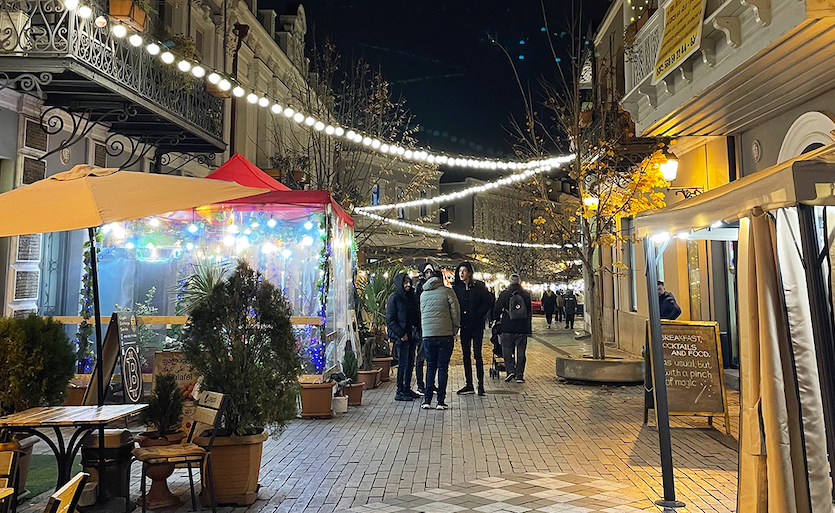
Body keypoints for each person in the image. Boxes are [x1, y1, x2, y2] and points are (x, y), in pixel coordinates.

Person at [420, 269, 460, 410]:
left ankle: (427, 400)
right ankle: (440, 401)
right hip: (445, 334)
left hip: (428, 335)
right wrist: (455, 330)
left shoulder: (423, 293)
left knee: (430, 367)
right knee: (442, 367)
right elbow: (455, 312)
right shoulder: (447, 291)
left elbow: (422, 314)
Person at [453, 261, 493, 396]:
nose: (461, 274)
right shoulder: (457, 288)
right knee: (465, 355)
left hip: (476, 325)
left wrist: (478, 314)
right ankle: (469, 384)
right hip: (464, 326)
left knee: (477, 354)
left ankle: (480, 384)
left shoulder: (479, 287)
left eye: (464, 271)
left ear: (469, 273)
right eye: (460, 271)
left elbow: (488, 301)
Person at [386, 272, 422, 401]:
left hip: (412, 335)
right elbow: (390, 319)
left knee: (410, 363)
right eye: (405, 282)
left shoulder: (411, 297)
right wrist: (400, 334)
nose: (407, 285)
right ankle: (400, 390)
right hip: (402, 336)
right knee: (402, 363)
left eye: (409, 282)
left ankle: (407, 388)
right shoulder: (395, 298)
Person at [493, 274, 532, 384]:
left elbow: (497, 309)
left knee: (506, 349)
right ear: (519, 281)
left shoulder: (504, 294)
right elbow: (529, 311)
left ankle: (510, 370)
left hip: (507, 326)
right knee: (521, 351)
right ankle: (519, 375)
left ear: (509, 281)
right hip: (521, 328)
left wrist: (496, 319)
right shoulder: (525, 295)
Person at [412, 263, 435, 393]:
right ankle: (420, 384)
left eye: (430, 272)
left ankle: (430, 384)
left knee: (432, 358)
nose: (428, 275)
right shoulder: (419, 288)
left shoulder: (435, 287)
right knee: (421, 356)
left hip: (433, 326)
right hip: (422, 327)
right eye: (426, 272)